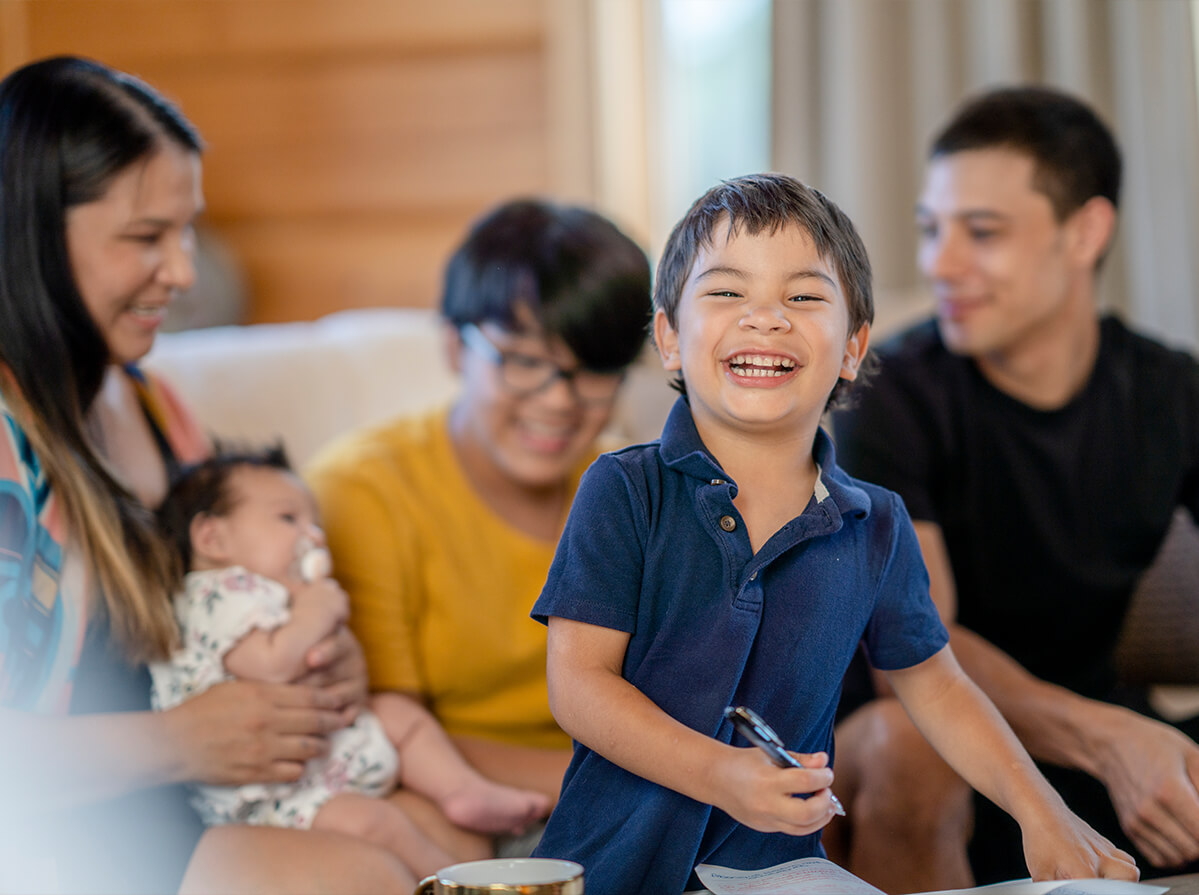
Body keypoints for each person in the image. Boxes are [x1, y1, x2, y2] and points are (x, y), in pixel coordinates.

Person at [526, 172, 1140, 895]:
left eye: (803, 296)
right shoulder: (622, 490)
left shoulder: (876, 523)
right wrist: (720, 773)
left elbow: (938, 687)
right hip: (605, 870)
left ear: (851, 349)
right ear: (668, 337)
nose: (766, 318)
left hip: (775, 874)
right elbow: (578, 685)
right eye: (726, 292)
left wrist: (1042, 809)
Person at [0, 55, 416, 893]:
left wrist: (319, 664)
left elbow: (231, 607)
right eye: (146, 237)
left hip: (200, 803)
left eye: (186, 230)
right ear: (35, 235)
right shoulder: (12, 454)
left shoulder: (155, 407)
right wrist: (185, 739)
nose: (185, 272)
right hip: (70, 834)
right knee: (367, 875)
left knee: (433, 836)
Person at [827, 85, 1199, 892]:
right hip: (926, 749)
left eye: (980, 233)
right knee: (907, 744)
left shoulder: (1169, 392)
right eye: (930, 230)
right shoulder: (884, 396)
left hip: (1094, 740)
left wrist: (1135, 744)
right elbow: (913, 649)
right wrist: (1110, 738)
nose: (937, 263)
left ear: (1084, 232)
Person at [304, 197, 652, 855]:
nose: (558, 400)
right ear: (453, 347)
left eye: (595, 370)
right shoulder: (362, 489)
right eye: (523, 359)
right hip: (448, 790)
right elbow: (385, 731)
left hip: (632, 786)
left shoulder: (639, 489)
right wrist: (654, 779)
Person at [150, 446, 550, 876]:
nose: (314, 537)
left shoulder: (281, 593)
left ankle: (463, 790)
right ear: (212, 538)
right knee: (375, 823)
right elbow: (270, 665)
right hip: (272, 792)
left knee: (398, 714)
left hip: (324, 751)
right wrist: (317, 609)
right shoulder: (215, 595)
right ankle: (458, 882)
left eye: (315, 524)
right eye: (288, 519)